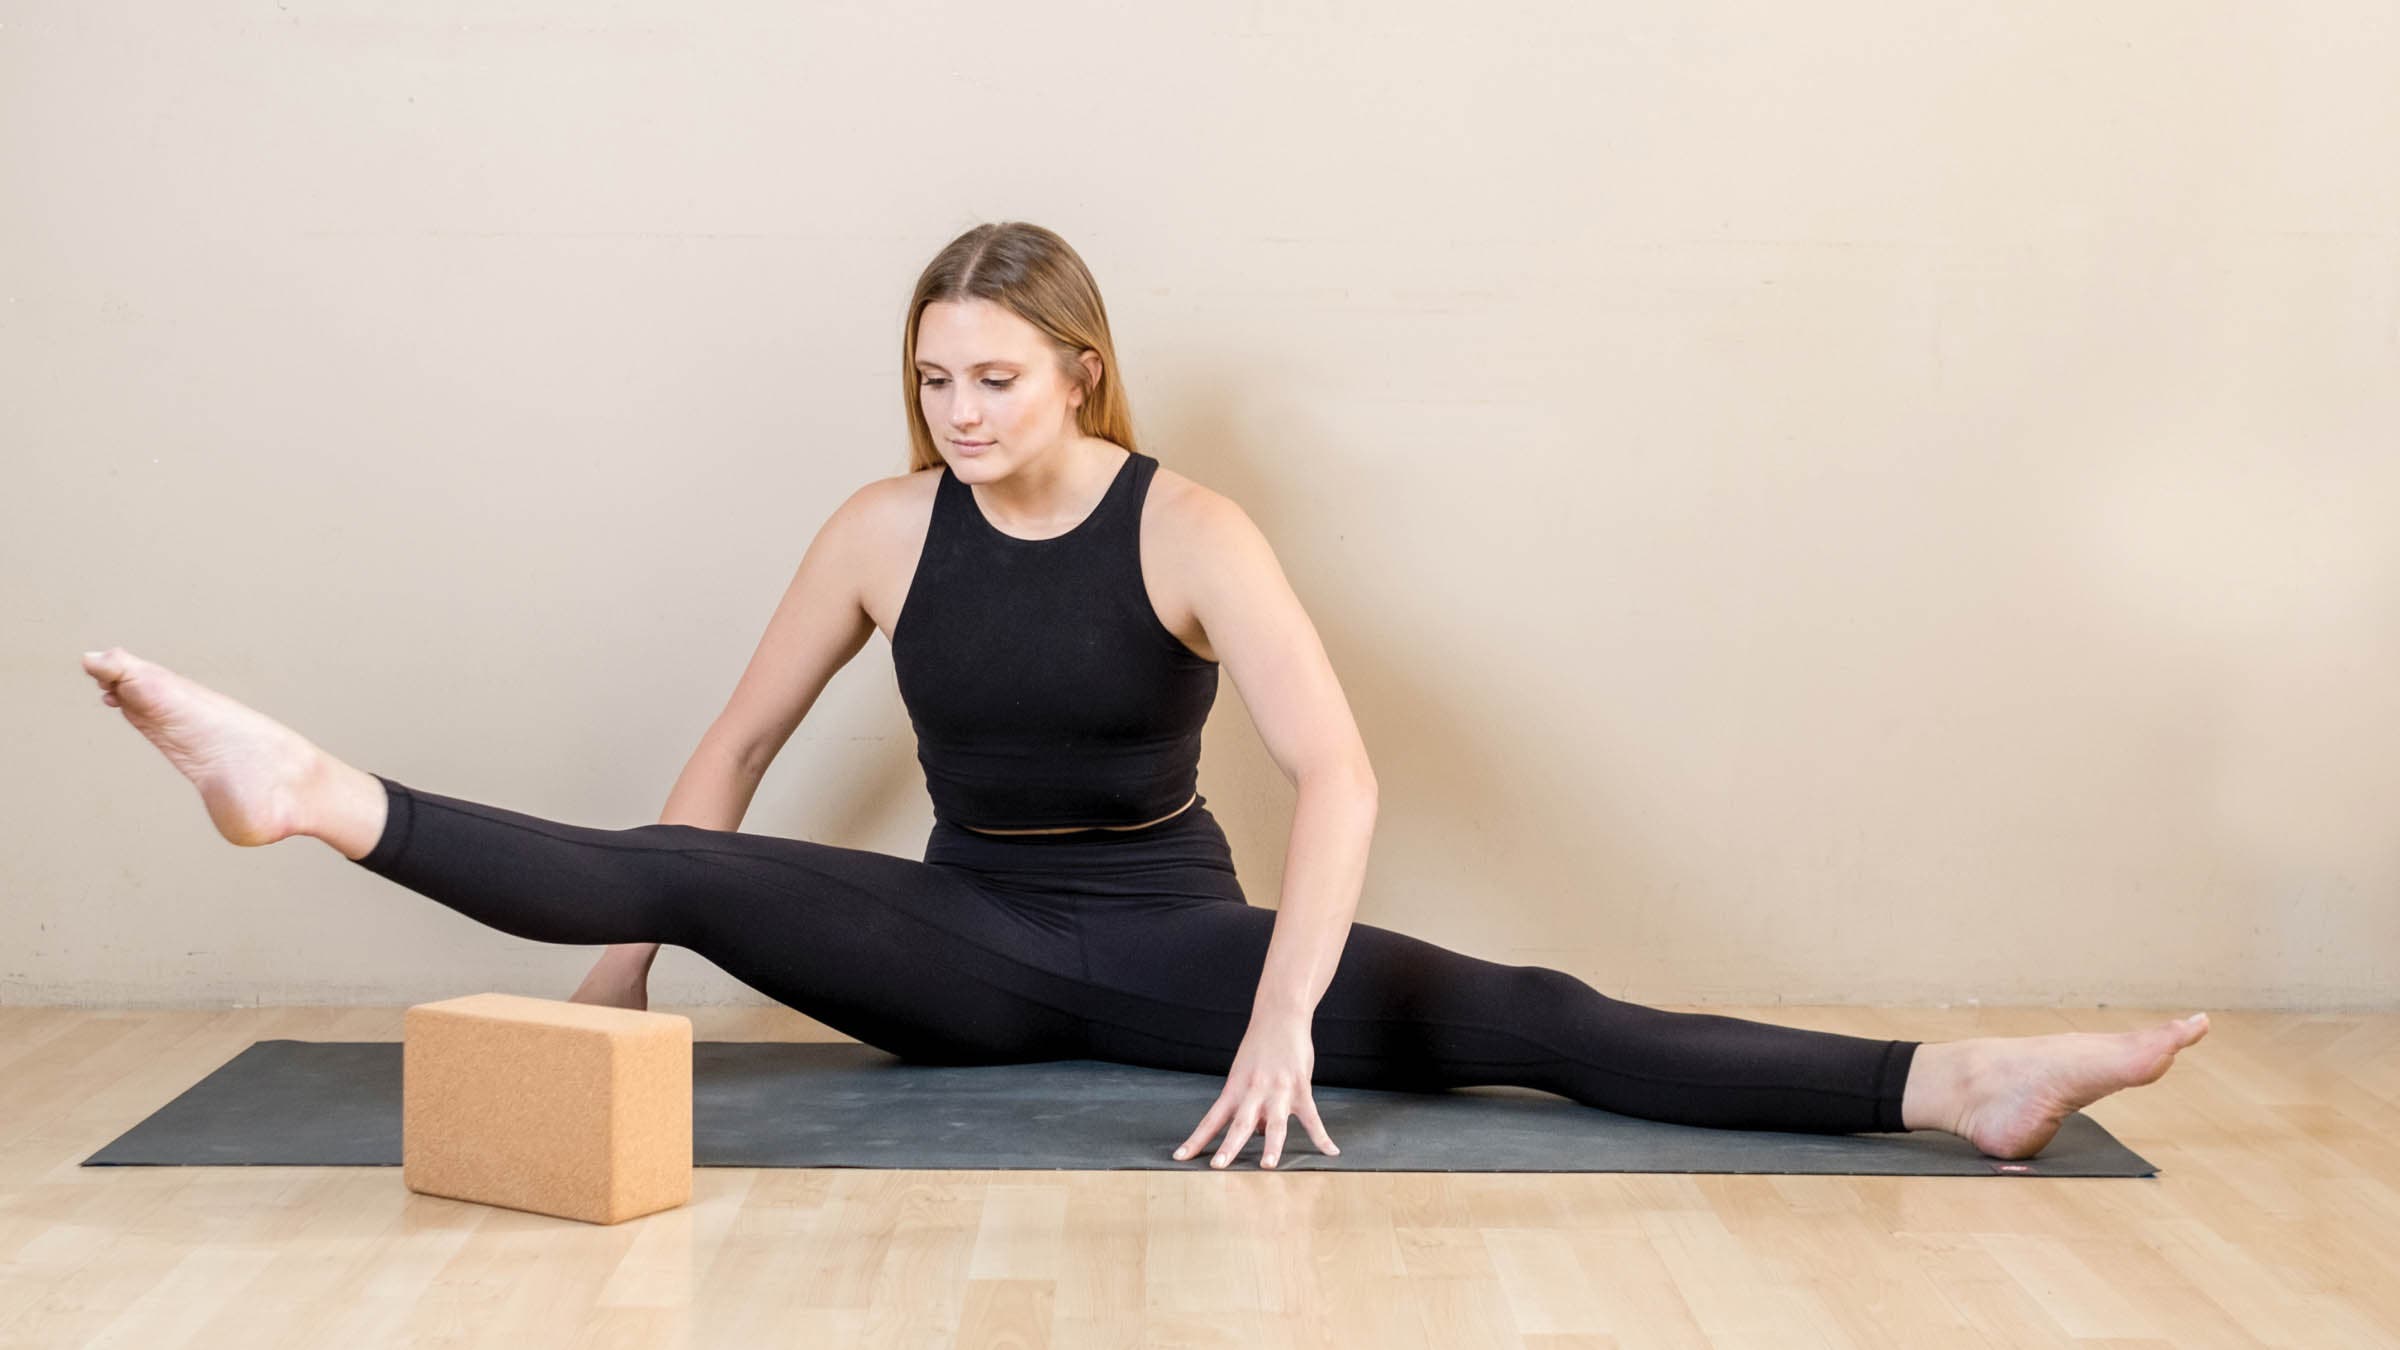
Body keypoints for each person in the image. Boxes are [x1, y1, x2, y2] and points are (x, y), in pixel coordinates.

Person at [80, 221, 2208, 1170]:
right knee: (686, 857)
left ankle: (1954, 1085)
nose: (960, 410)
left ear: (1080, 369)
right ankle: (318, 791)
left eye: (993, 377)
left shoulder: (1192, 525)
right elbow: (727, 768)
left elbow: (1338, 767)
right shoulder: (877, 528)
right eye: (931, 379)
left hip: (1183, 941)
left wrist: (1283, 1009)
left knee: (1527, 1020)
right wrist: (615, 983)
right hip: (961, 943)